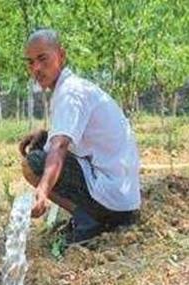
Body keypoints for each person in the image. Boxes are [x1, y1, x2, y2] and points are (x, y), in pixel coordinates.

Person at [20, 28, 141, 244]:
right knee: (42, 149)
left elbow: (59, 147)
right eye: (30, 62)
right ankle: (90, 216)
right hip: (124, 200)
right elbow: (71, 137)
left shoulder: (70, 93)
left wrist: (42, 190)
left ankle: (89, 221)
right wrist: (46, 135)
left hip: (114, 200)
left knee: (33, 163)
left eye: (42, 59)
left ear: (62, 55)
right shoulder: (72, 88)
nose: (36, 68)